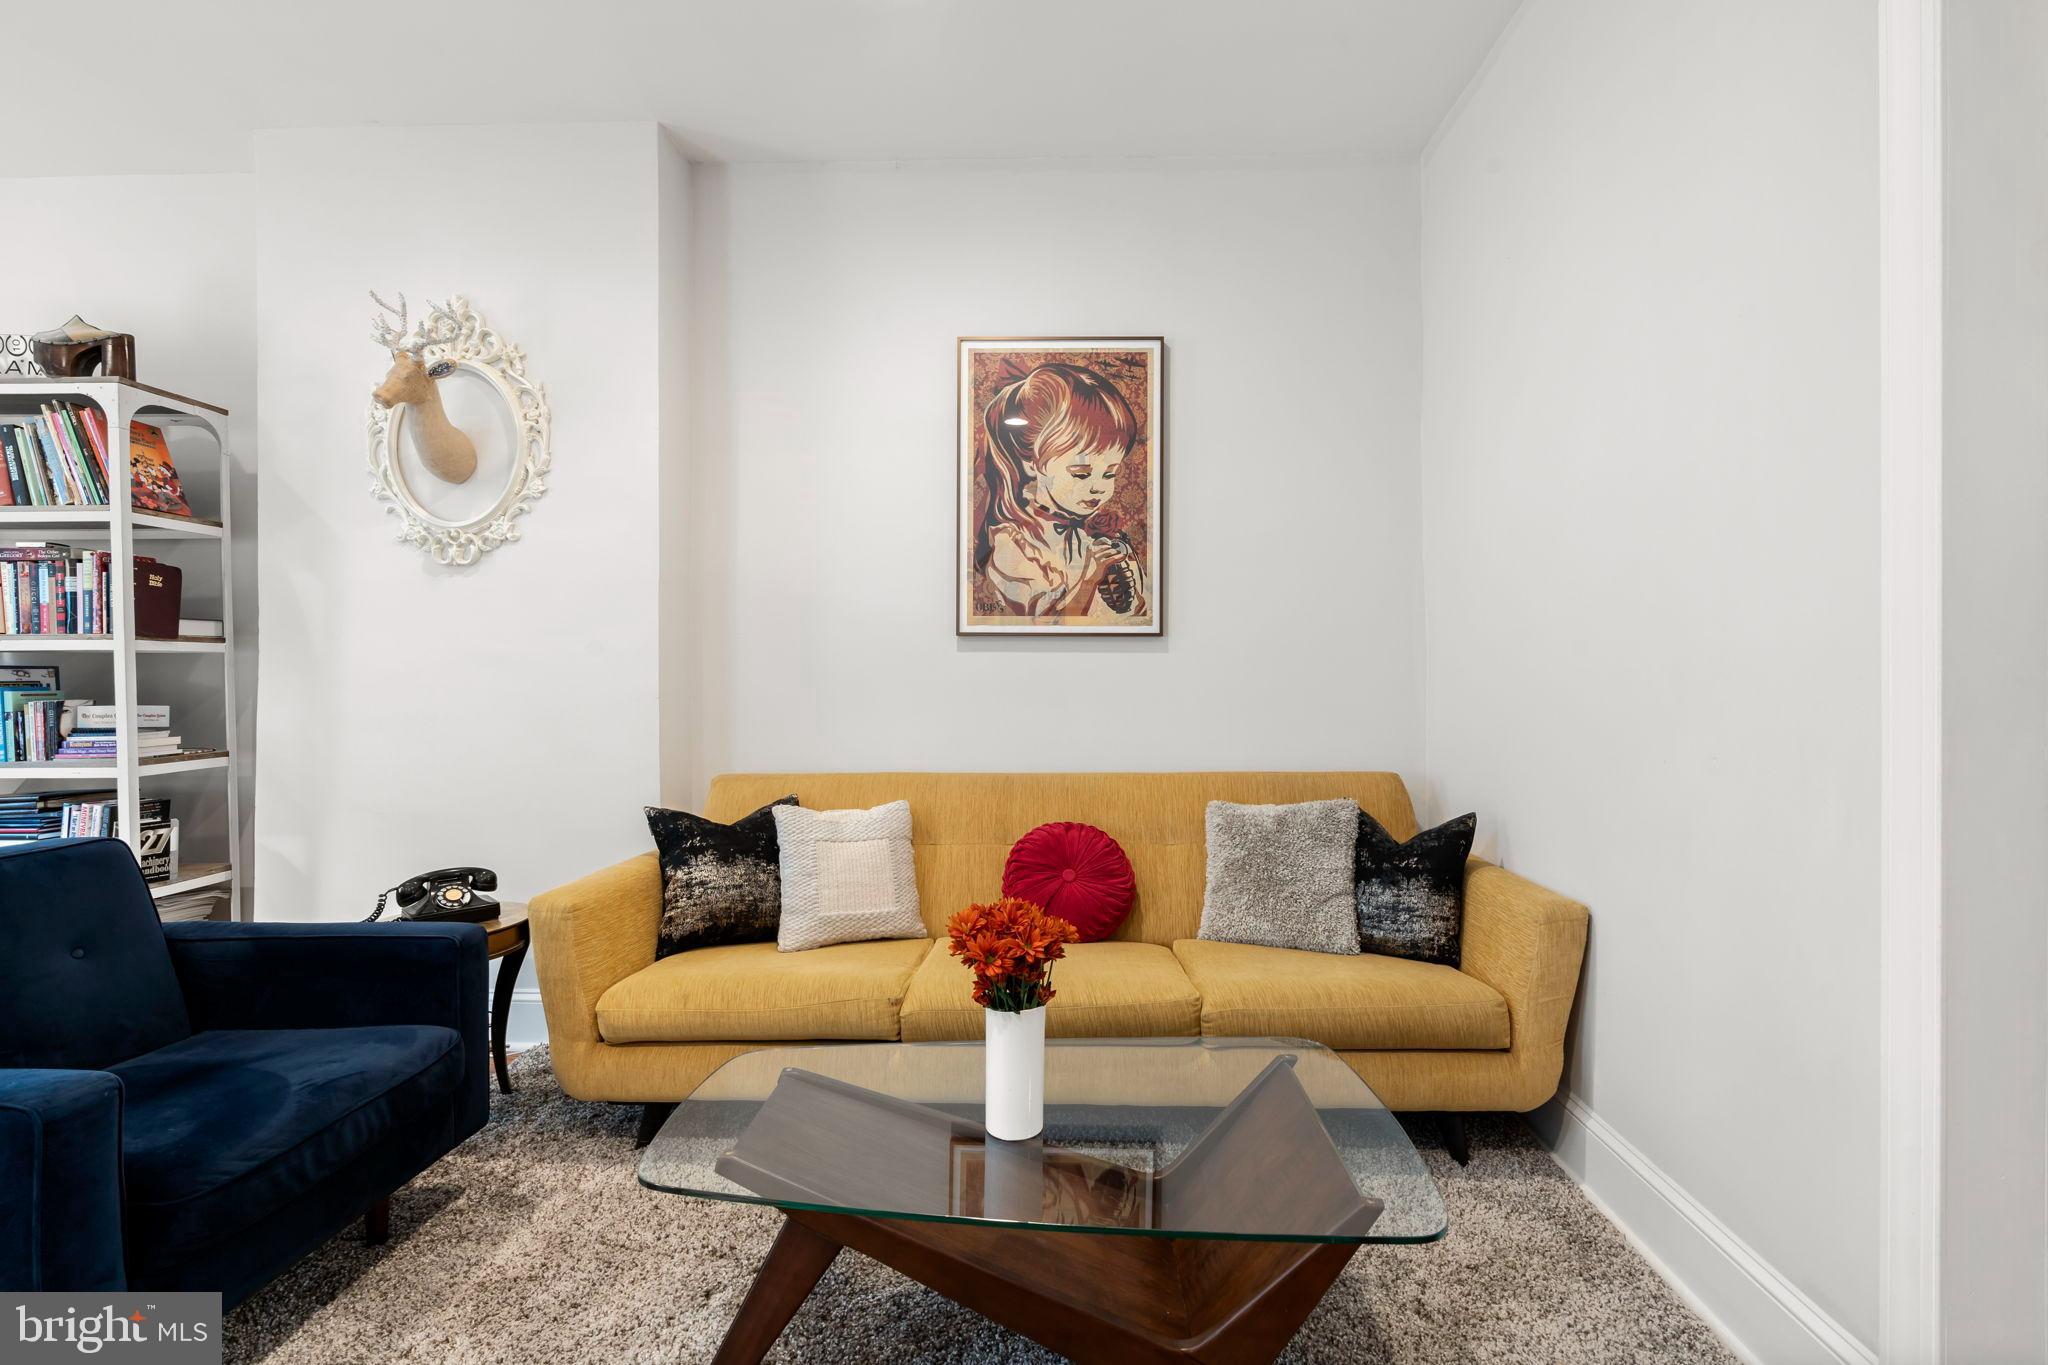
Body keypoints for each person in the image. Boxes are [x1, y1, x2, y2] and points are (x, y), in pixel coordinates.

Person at [974, 361, 1150, 623]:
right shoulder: (1012, 544)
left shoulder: (1101, 536)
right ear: (1032, 463)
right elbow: (1042, 627)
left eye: (1110, 472)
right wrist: (1090, 577)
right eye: (1080, 473)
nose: (1098, 486)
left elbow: (1141, 616)